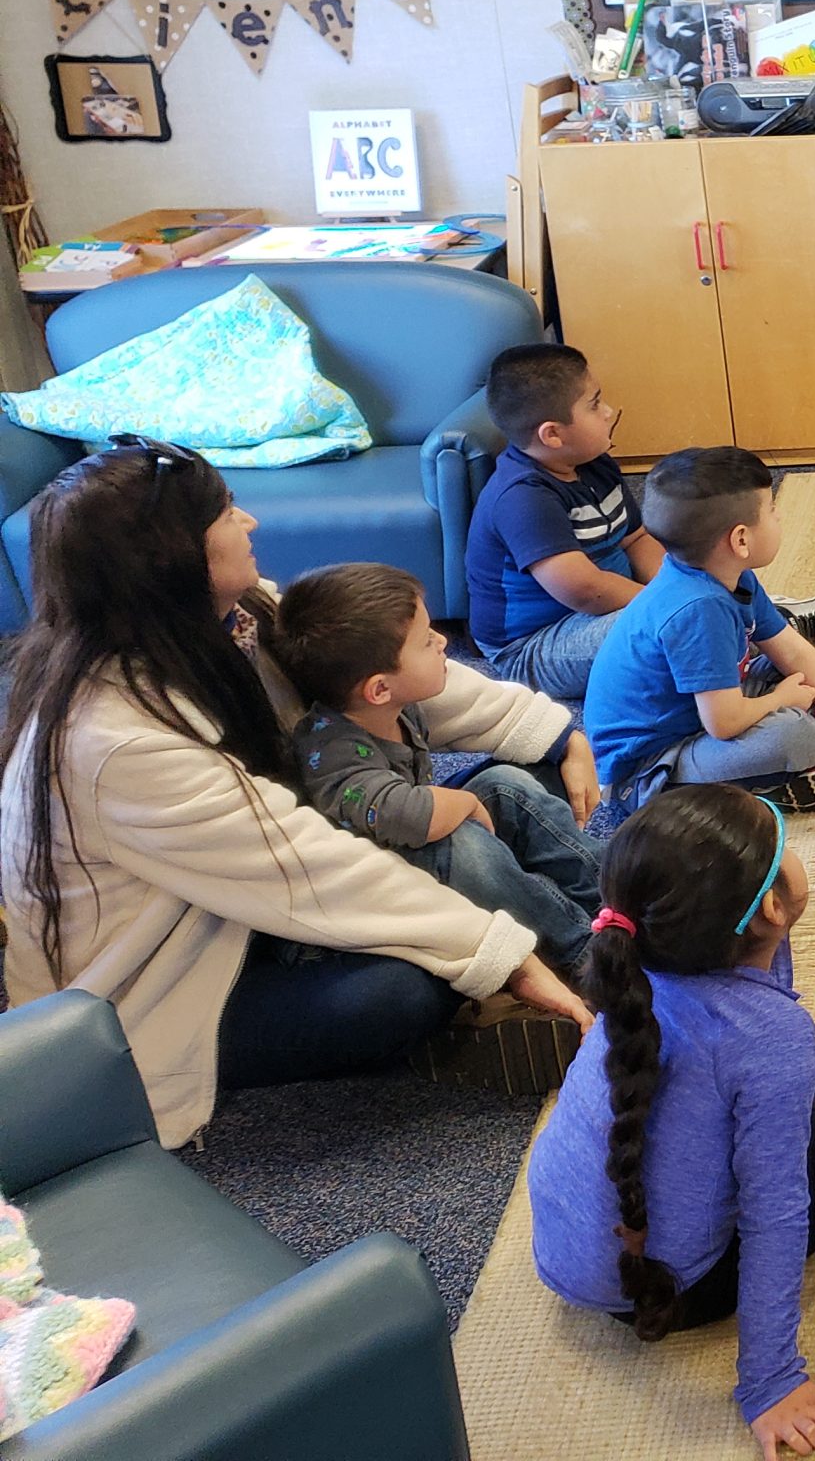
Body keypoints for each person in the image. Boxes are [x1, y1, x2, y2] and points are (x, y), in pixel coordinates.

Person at [0, 438, 587, 1149]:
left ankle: (536, 967)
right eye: (226, 513)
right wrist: (501, 953)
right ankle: (521, 985)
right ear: (173, 558)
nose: (249, 524)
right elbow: (300, 864)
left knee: (519, 785)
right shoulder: (113, 736)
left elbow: (384, 670)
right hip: (185, 971)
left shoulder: (235, 616)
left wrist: (552, 732)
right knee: (398, 993)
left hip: (273, 884)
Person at [526, 784, 815, 1461]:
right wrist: (768, 1380)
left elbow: (726, 1087)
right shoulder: (766, 1033)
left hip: (569, 1250)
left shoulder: (636, 970)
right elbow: (776, 1215)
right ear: (773, 907)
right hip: (664, 1288)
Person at [466, 343, 815, 700]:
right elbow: (584, 591)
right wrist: (680, 603)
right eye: (594, 404)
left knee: (709, 584)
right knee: (682, 623)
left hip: (615, 603)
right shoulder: (522, 498)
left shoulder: (592, 462)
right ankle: (753, 661)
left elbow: (636, 538)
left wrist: (691, 588)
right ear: (552, 434)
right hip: (537, 647)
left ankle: (761, 627)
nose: (608, 412)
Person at [271, 560, 604, 976]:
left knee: (505, 784)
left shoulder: (397, 708)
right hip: (381, 894)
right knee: (464, 845)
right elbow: (403, 814)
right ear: (378, 688)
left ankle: (614, 892)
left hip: (414, 845)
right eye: (426, 641)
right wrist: (462, 803)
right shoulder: (331, 750)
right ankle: (583, 953)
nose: (444, 641)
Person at [584, 447, 815, 817]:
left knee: (796, 672)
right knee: (798, 737)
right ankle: (741, 790)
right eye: (772, 511)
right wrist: (781, 701)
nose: (779, 517)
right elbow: (724, 723)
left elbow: (794, 652)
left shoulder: (730, 576)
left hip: (700, 712)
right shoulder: (699, 609)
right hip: (650, 766)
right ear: (740, 540)